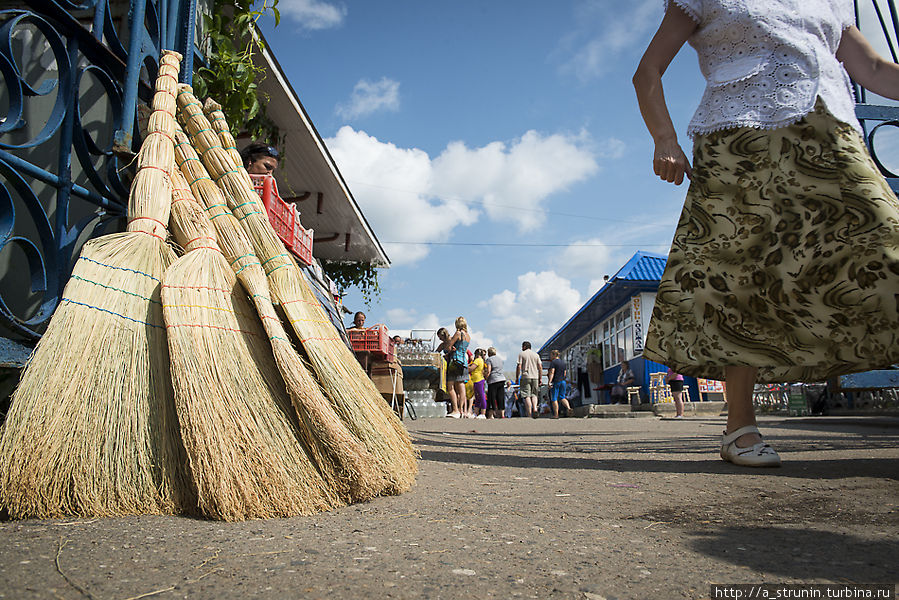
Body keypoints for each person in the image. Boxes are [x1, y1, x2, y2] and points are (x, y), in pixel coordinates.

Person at [633, 0, 899, 466]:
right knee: (743, 281)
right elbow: (648, 70)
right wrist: (665, 138)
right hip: (740, 144)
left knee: (884, 244)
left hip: (830, 136)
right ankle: (739, 427)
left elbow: (874, 68)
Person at [439, 317, 471, 419]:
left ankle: (455, 410)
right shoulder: (468, 336)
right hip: (464, 363)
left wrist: (450, 348)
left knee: (450, 387)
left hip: (455, 362)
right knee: (461, 388)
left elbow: (448, 347)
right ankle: (462, 411)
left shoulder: (458, 333)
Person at [516, 341, 542, 418]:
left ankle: (529, 413)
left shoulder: (521, 354)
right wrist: (540, 378)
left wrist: (517, 377)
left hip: (525, 376)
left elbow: (519, 366)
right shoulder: (536, 355)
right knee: (534, 395)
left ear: (524, 347)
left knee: (526, 395)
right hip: (535, 376)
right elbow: (540, 367)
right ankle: (535, 409)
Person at [547, 350, 572, 418]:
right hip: (563, 381)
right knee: (562, 397)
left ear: (554, 355)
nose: (550, 356)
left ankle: (556, 415)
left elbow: (552, 372)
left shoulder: (553, 362)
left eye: (551, 355)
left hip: (556, 381)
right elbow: (564, 373)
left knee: (554, 398)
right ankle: (569, 408)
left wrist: (549, 381)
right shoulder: (563, 363)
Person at [484, 347, 506, 419]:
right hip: (501, 379)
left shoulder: (489, 359)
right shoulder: (500, 359)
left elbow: (489, 370)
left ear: (489, 353)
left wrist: (486, 378)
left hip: (493, 380)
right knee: (500, 397)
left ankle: (491, 414)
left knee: (492, 397)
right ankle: (502, 414)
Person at [468, 349, 488, 419]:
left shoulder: (477, 360)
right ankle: (476, 413)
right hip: (478, 380)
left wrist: (465, 367)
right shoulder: (481, 360)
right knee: (478, 397)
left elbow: (471, 368)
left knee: (481, 396)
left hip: (478, 380)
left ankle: (483, 413)